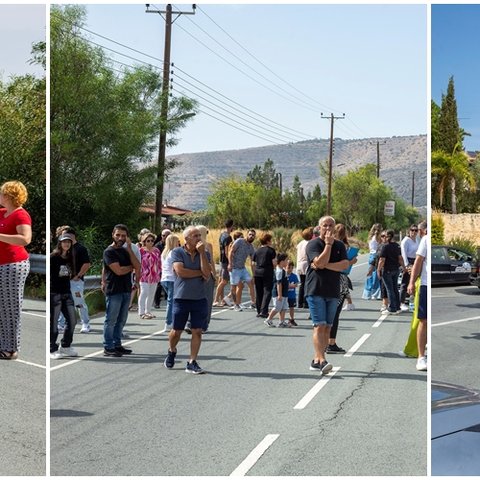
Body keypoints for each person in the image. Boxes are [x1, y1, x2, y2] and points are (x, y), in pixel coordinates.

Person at [163, 226, 211, 374]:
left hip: (199, 298)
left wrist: (202, 253)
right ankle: (172, 350)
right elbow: (181, 272)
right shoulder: (177, 252)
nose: (199, 238)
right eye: (195, 236)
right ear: (187, 239)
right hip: (181, 298)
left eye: (199, 235)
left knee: (197, 331)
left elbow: (207, 275)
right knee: (176, 331)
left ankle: (192, 362)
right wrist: (199, 272)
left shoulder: (205, 253)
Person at [305, 216, 349, 374]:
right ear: (319, 227)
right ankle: (322, 359)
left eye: (331, 225)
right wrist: (328, 245)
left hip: (333, 291)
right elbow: (319, 262)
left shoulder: (340, 245)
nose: (328, 228)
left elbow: (345, 265)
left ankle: (316, 360)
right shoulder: (313, 244)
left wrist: (325, 265)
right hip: (316, 290)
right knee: (319, 325)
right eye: (325, 225)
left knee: (328, 327)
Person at [0, 181, 32, 359]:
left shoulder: (20, 215)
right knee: (1, 307)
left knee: (10, 307)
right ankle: (2, 344)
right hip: (1, 264)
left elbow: (25, 239)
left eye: (1, 193)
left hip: (13, 266)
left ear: (8, 196)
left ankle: (11, 349)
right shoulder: (3, 213)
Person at [102, 224, 140, 357]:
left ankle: (117, 344)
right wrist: (130, 267)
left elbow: (138, 266)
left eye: (123, 235)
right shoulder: (109, 252)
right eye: (118, 235)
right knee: (111, 319)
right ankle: (108, 346)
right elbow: (118, 271)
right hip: (114, 290)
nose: (120, 237)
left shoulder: (125, 251)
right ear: (113, 234)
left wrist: (129, 249)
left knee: (122, 319)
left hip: (126, 289)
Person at [327, 223, 358, 354]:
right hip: (341, 279)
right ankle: (331, 342)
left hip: (329, 279)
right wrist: (351, 262)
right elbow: (344, 266)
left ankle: (326, 341)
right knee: (335, 313)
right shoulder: (343, 247)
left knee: (328, 312)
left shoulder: (328, 244)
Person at [55, 226, 92, 333]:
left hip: (76, 281)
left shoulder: (80, 248)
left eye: (66, 235)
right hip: (63, 280)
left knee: (79, 302)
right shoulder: (63, 249)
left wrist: (78, 275)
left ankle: (85, 323)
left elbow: (87, 264)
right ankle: (61, 324)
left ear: (72, 236)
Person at [50, 233, 79, 359]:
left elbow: (71, 274)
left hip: (67, 293)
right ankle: (52, 348)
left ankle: (66, 345)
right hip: (55, 293)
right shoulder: (53, 257)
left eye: (69, 242)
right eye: (64, 241)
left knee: (72, 320)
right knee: (54, 322)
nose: (66, 244)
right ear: (60, 243)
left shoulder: (70, 257)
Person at [407, 220, 428, 371]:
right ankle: (421, 356)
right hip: (426, 285)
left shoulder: (425, 238)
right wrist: (411, 283)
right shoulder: (426, 240)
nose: (417, 233)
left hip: (428, 285)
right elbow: (418, 261)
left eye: (418, 230)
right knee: (424, 320)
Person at [377, 229, 406, 314]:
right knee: (395, 289)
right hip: (396, 270)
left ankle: (392, 308)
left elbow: (382, 259)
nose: (384, 237)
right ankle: (397, 307)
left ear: (388, 236)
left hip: (387, 270)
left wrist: (379, 269)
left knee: (389, 289)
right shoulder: (397, 246)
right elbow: (400, 258)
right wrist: (404, 267)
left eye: (385, 236)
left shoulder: (385, 246)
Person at [228, 229, 256, 312]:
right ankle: (236, 305)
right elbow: (231, 252)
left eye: (253, 235)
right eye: (250, 234)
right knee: (234, 286)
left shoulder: (251, 247)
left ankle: (253, 303)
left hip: (242, 268)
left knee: (251, 282)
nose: (251, 236)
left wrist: (253, 274)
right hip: (234, 268)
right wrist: (230, 264)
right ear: (247, 235)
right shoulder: (239, 241)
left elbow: (252, 261)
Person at [252, 232, 277, 318]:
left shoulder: (257, 251)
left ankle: (259, 310)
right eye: (270, 240)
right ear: (267, 241)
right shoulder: (271, 250)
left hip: (257, 272)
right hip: (267, 272)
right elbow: (274, 263)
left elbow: (253, 263)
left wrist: (254, 272)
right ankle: (264, 310)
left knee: (259, 292)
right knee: (267, 291)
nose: (271, 241)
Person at [196, 225, 216, 332]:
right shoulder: (208, 245)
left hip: (199, 274)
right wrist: (214, 274)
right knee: (207, 299)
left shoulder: (196, 245)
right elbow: (211, 261)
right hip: (207, 274)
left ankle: (197, 323)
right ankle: (204, 323)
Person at [160, 234, 181, 334]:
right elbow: (174, 267)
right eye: (177, 241)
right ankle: (169, 322)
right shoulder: (173, 252)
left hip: (164, 278)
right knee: (172, 301)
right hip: (172, 278)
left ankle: (171, 321)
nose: (179, 243)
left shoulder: (164, 252)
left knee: (171, 300)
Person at [138, 231, 162, 319]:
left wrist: (159, 273)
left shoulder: (156, 250)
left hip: (154, 275)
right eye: (148, 241)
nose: (150, 242)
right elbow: (137, 263)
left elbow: (159, 262)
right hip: (144, 275)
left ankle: (148, 311)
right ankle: (141, 312)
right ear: (144, 241)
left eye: (152, 241)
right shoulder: (140, 251)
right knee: (144, 292)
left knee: (152, 294)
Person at [264, 253, 290, 328]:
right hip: (278, 293)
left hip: (284, 292)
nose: (287, 261)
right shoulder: (279, 271)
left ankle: (281, 321)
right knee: (277, 307)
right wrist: (279, 295)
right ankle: (268, 319)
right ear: (282, 261)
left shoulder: (283, 270)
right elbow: (279, 284)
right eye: (286, 260)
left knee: (284, 307)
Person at [213, 219, 234, 307]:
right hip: (225, 261)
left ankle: (222, 300)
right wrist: (230, 262)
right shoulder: (228, 237)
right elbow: (227, 251)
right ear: (231, 226)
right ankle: (216, 300)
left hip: (222, 261)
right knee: (224, 281)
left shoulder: (222, 235)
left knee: (222, 280)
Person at [399, 224, 419, 311]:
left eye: (415, 230)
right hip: (408, 261)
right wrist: (406, 265)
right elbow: (403, 253)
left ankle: (413, 302)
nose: (414, 232)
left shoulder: (417, 240)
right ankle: (401, 302)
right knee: (405, 282)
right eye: (412, 230)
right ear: (409, 231)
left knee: (415, 283)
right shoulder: (406, 241)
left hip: (415, 261)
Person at [362, 223, 382, 300]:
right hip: (376, 256)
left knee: (370, 275)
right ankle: (375, 293)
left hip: (371, 255)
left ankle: (368, 293)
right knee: (376, 275)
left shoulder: (370, 237)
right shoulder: (377, 237)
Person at [153, 228, 171, 309]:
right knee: (159, 286)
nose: (165, 237)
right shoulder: (157, 246)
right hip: (160, 268)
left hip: (170, 269)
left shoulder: (174, 245)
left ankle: (169, 301)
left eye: (167, 236)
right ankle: (157, 303)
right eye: (163, 235)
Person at [296, 227, 313, 309]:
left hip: (300, 264)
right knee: (307, 284)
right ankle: (306, 303)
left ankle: (300, 302)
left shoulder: (300, 243)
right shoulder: (310, 243)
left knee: (302, 284)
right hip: (306, 264)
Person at [286, 260, 299, 326]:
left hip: (292, 295)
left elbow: (296, 284)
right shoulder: (284, 275)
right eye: (288, 267)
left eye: (291, 268)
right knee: (282, 308)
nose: (290, 269)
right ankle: (281, 320)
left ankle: (291, 319)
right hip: (285, 295)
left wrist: (291, 286)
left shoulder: (294, 276)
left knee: (292, 307)